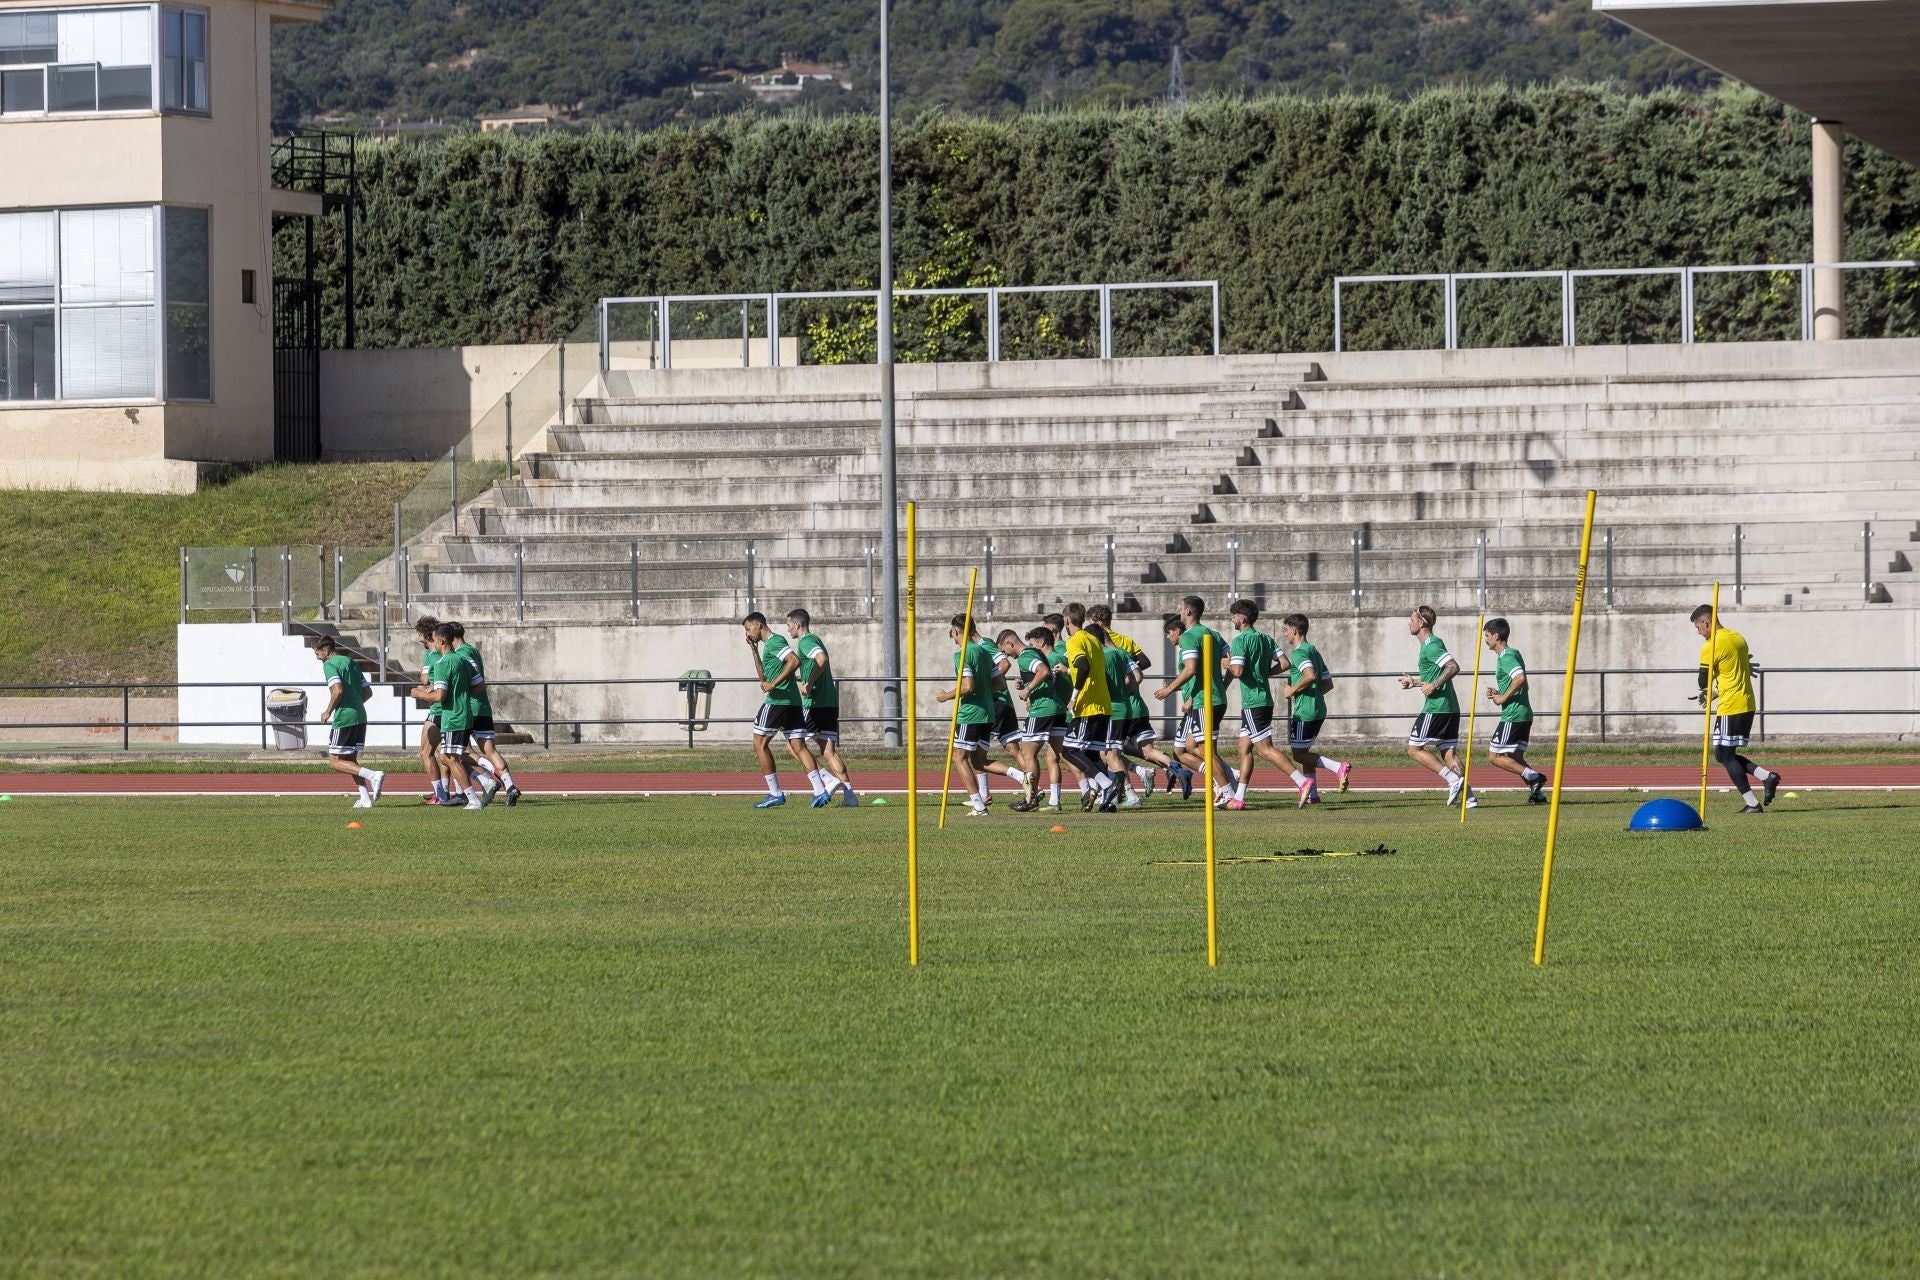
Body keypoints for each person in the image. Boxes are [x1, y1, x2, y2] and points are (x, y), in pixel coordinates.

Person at [1692, 605, 1781, 814]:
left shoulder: (1711, 645)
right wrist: (1716, 691)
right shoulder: (1738, 637)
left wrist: (1709, 686)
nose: (1699, 633)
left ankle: (1753, 802)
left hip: (1731, 706)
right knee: (1726, 754)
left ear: (1706, 622)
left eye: (1698, 628)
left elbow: (1703, 681)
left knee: (1723, 754)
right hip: (1746, 703)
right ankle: (1767, 777)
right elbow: (1733, 671)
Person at [1090, 604, 1180, 798]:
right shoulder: (1125, 641)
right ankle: (1163, 767)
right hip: (1134, 703)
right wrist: (1129, 671)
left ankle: (1127, 792)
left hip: (1116, 704)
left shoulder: (1098, 643)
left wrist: (1118, 679)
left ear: (1098, 623)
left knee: (1109, 752)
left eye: (1091, 623)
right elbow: (1145, 662)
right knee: (1135, 749)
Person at [1153, 596, 1236, 804]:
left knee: (1206, 751)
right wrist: (1222, 685)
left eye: (1181, 608)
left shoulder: (1190, 636)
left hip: (1204, 701)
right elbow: (1232, 661)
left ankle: (1228, 792)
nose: (1179, 612)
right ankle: (1226, 781)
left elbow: (1190, 668)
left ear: (1188, 612)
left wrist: (1170, 689)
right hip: (1213, 698)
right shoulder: (1212, 634)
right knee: (1189, 747)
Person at [742, 611, 822, 809]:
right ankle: (820, 791)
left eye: (748, 629)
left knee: (759, 744)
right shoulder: (768, 646)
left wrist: (774, 684)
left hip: (778, 701)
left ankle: (775, 793)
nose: (747, 633)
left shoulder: (774, 641)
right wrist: (754, 651)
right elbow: (763, 678)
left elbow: (794, 661)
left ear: (759, 625)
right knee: (798, 746)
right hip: (792, 702)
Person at [1400, 604, 1475, 809]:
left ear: (1421, 623)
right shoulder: (1430, 644)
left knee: (1414, 749)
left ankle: (1452, 780)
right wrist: (1415, 682)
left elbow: (1453, 667)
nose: (1409, 623)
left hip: (1437, 708)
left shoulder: (1431, 645)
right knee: (1449, 754)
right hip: (1450, 707)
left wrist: (1433, 685)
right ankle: (1469, 799)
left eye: (1411, 620)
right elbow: (1434, 676)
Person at [934, 615, 1009, 818]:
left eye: (951, 631)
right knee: (978, 761)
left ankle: (978, 804)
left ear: (956, 631)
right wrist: (983, 690)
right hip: (988, 712)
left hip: (970, 713)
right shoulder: (984, 651)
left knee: (959, 757)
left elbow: (967, 686)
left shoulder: (962, 654)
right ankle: (1020, 776)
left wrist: (946, 696)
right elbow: (1000, 684)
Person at [1223, 599, 1293, 810]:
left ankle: (1301, 781)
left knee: (1265, 750)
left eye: (1234, 615)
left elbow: (1237, 671)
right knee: (1243, 748)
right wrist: (1265, 673)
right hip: (1262, 701)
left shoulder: (1240, 640)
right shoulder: (1266, 638)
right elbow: (1285, 664)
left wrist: (1225, 662)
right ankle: (1239, 798)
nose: (1232, 619)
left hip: (1254, 702)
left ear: (1242, 618)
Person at [415, 623, 491, 810]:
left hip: (453, 716)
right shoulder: (462, 660)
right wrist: (460, 693)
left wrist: (419, 694)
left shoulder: (442, 663)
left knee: (450, 758)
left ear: (441, 640)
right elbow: (481, 686)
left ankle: (475, 796)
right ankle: (484, 781)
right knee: (449, 756)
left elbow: (439, 696)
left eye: (434, 639)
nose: (433, 643)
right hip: (465, 714)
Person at [1057, 603, 1124, 813]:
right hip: (1103, 704)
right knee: (1093, 754)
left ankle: (1106, 783)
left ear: (1067, 619)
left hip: (1088, 705)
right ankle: (1107, 803)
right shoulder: (1094, 639)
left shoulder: (1074, 640)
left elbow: (1083, 666)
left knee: (1068, 750)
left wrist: (1073, 697)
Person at [789, 608, 858, 808]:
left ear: (797, 624)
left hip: (815, 703)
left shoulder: (805, 641)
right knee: (828, 752)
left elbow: (821, 659)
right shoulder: (816, 639)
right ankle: (850, 796)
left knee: (793, 745)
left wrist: (809, 683)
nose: (788, 629)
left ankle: (828, 780)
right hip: (830, 702)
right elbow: (817, 665)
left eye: (789, 625)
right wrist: (802, 678)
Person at [1278, 613, 1351, 802]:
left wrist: (1293, 690)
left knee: (1298, 755)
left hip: (1305, 712)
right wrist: (1313, 695)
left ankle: (1338, 767)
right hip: (1318, 708)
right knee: (1305, 752)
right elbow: (1328, 683)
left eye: (1286, 630)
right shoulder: (1313, 650)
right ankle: (1313, 795)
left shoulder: (1299, 652)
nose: (1284, 634)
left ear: (1294, 631)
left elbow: (1309, 675)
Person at [448, 621, 522, 807]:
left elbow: (474, 678)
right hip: (483, 707)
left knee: (455, 753)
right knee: (490, 751)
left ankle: (485, 780)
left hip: (468, 709)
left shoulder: (462, 655)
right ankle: (510, 786)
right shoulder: (473, 650)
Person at [1481, 617, 1548, 804]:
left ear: (1496, 636)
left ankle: (1535, 777)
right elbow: (1518, 682)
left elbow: (1520, 678)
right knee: (1515, 756)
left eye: (1487, 636)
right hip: (1523, 713)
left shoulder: (1506, 656)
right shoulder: (1513, 653)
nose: (1485, 640)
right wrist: (1499, 692)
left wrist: (1503, 698)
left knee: (1494, 756)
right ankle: (1538, 795)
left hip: (1514, 715)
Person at [313, 636, 384, 807]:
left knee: (335, 761)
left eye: (317, 653)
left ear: (326, 650)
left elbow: (337, 690)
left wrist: (328, 711)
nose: (317, 658)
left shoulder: (329, 665)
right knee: (350, 760)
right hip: (360, 715)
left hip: (344, 717)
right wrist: (354, 704)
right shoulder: (350, 661)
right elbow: (368, 692)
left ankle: (373, 775)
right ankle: (365, 798)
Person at [413, 615, 455, 805]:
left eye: (419, 635)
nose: (419, 639)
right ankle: (445, 791)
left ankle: (486, 778)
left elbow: (425, 680)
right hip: (443, 707)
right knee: (446, 754)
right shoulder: (443, 654)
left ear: (427, 634)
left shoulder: (433, 655)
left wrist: (423, 688)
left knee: (427, 752)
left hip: (438, 708)